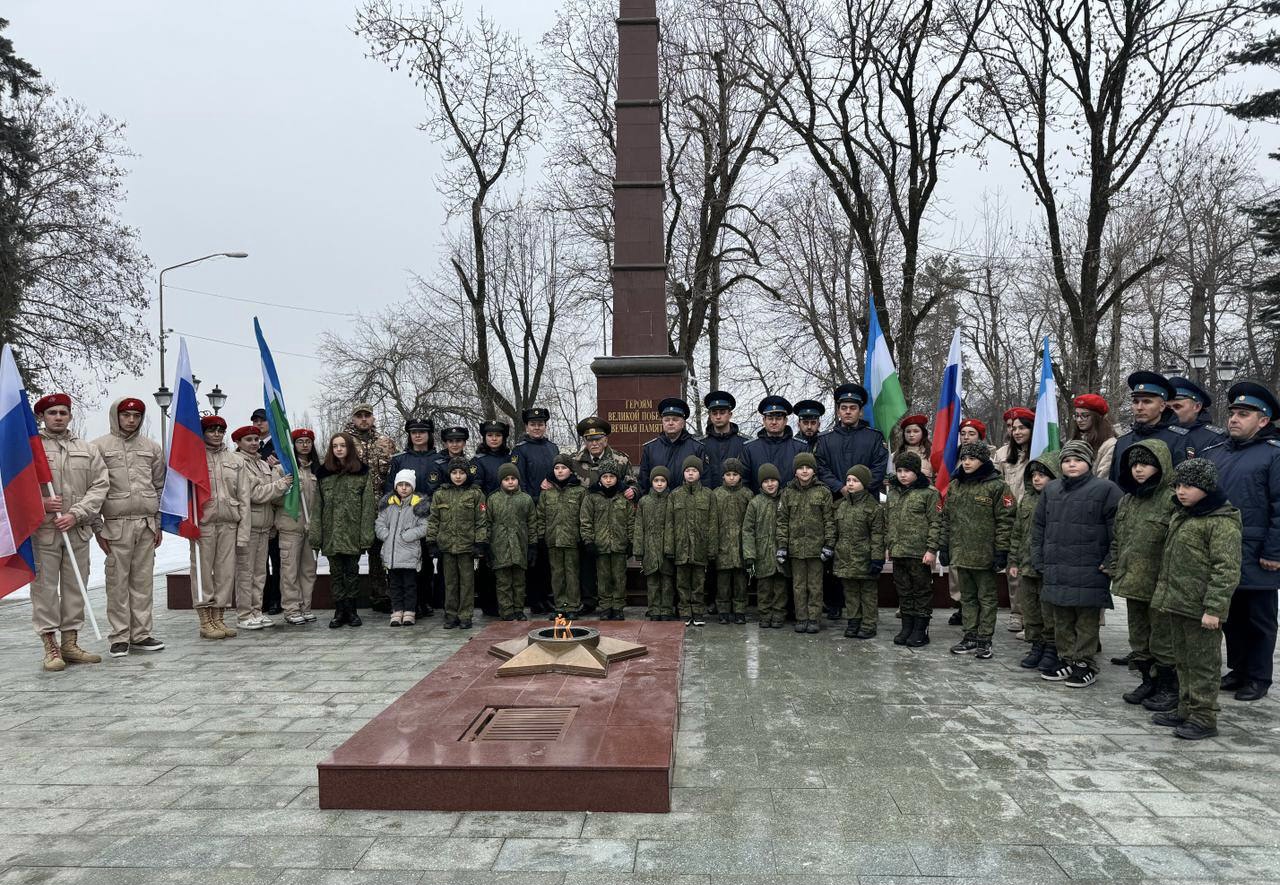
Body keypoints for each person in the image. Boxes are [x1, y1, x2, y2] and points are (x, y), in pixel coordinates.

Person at [1150, 458, 1243, 740]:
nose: (1181, 491)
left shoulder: (1221, 523)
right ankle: (1185, 706)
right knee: (1183, 659)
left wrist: (1214, 608)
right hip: (1177, 603)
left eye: (1189, 485)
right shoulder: (1182, 514)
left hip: (1202, 609)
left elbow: (1225, 568)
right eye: (1178, 485)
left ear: (1206, 487)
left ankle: (1204, 716)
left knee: (1203, 663)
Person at [1204, 381, 1280, 702]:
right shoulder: (1217, 452)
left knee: (1259, 619)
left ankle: (1259, 677)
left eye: (1244, 414)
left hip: (1259, 552)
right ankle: (1238, 669)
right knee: (1231, 615)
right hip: (1223, 551)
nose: (1234, 418)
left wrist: (1274, 551)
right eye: (1233, 412)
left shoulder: (1274, 455)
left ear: (1263, 421)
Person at [1034, 439, 1122, 687]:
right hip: (1056, 566)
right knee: (1060, 617)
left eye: (1078, 460)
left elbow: (1118, 530)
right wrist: (1038, 557)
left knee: (1085, 620)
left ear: (1089, 463)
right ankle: (1066, 658)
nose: (1072, 464)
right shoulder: (1051, 491)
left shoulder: (1106, 490)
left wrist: (1111, 560)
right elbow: (1039, 527)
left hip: (1090, 568)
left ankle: (1084, 662)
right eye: (1067, 460)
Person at [31, 394, 109, 671]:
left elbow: (100, 486)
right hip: (45, 531)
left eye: (63, 412)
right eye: (52, 412)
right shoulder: (31, 449)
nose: (58, 417)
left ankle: (71, 642)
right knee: (45, 589)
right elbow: (13, 487)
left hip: (76, 529)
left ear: (70, 416)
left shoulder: (87, 449)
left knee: (76, 586)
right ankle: (50, 645)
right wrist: (39, 503)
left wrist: (76, 513)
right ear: (42, 417)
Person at [92, 397, 165, 658]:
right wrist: (96, 526)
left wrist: (157, 523)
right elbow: (93, 488)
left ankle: (141, 634)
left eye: (136, 415)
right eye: (126, 415)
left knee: (143, 582)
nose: (131, 420)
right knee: (117, 582)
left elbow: (159, 486)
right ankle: (120, 636)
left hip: (145, 524)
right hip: (115, 525)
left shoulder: (152, 448)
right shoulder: (99, 447)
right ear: (116, 416)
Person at [1109, 440, 1178, 707]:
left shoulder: (1171, 499)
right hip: (1132, 582)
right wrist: (1115, 566)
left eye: (1146, 464)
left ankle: (1168, 686)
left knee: (1163, 639)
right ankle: (1147, 681)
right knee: (1139, 636)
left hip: (1160, 583)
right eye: (1135, 464)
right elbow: (1118, 538)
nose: (1139, 470)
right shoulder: (1128, 500)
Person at [940, 442, 1014, 659]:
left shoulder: (997, 486)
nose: (967, 462)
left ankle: (984, 638)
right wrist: (944, 546)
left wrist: (1002, 550)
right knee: (968, 598)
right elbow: (947, 518)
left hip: (985, 554)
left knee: (987, 598)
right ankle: (970, 635)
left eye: (972, 458)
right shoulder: (956, 485)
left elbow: (1005, 520)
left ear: (983, 460)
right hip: (961, 552)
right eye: (964, 458)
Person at [192, 415, 252, 642]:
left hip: (229, 522)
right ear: (203, 433)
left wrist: (243, 532)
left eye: (220, 430)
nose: (216, 434)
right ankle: (205, 619)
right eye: (211, 430)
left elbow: (244, 497)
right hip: (204, 524)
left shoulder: (235, 461)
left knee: (226, 573)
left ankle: (219, 616)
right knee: (203, 573)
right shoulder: (194, 458)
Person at [309, 432, 376, 630]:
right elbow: (317, 508)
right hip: (331, 535)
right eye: (335, 446)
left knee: (352, 573)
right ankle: (339, 611)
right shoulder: (324, 473)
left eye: (342, 446)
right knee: (336, 574)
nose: (339, 449)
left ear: (349, 448)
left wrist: (365, 536)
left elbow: (368, 507)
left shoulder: (362, 472)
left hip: (353, 533)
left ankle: (352, 610)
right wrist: (316, 535)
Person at [230, 425, 292, 630]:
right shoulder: (238, 463)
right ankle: (244, 614)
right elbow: (255, 495)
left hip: (264, 526)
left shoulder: (263, 464)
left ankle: (257, 611)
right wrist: (280, 485)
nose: (254, 443)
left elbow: (270, 497)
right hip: (248, 526)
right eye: (248, 440)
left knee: (259, 573)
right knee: (245, 573)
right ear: (238, 443)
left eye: (256, 439)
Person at [385, 416, 445, 616]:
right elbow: (389, 493)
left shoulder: (439, 460)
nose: (418, 435)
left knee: (426, 563)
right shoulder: (399, 460)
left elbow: (443, 490)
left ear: (429, 434)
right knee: (407, 566)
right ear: (409, 435)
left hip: (430, 520)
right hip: (404, 522)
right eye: (414, 432)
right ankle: (407, 605)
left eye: (422, 432)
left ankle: (425, 602)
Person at [1009, 451, 1061, 674]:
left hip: (1050, 566)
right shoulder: (1027, 499)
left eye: (1042, 475)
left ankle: (1051, 647)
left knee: (1049, 610)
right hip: (1027, 564)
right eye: (1033, 475)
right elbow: (1018, 531)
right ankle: (1036, 644)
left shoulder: (1059, 499)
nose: (1037, 479)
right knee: (1030, 609)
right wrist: (1013, 559)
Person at [344, 403, 397, 613]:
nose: (364, 419)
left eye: (367, 415)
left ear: (373, 418)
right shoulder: (344, 442)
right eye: (359, 416)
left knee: (378, 555)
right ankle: (350, 599)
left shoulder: (386, 443)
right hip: (354, 509)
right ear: (354, 419)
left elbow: (395, 474)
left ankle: (380, 596)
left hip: (380, 509)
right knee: (351, 555)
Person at [425, 456, 488, 630]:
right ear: (449, 474)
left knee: (467, 582)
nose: (458, 476)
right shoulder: (440, 494)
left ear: (467, 474)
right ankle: (451, 614)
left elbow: (481, 520)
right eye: (454, 472)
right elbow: (434, 520)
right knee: (450, 582)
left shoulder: (476, 494)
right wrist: (431, 541)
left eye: (461, 473)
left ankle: (465, 615)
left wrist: (480, 542)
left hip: (467, 547)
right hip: (447, 546)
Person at [886, 451, 939, 647]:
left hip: (919, 553)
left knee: (921, 591)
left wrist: (932, 549)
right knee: (904, 591)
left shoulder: (929, 493)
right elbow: (888, 522)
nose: (902, 475)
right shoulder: (892, 493)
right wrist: (888, 545)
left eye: (907, 471)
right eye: (899, 470)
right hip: (899, 552)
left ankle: (921, 629)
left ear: (916, 471)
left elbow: (935, 523)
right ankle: (907, 626)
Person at [778, 451, 834, 634]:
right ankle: (801, 618)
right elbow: (782, 521)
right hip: (795, 549)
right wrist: (782, 546)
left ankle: (814, 618)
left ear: (814, 471)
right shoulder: (787, 493)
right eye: (800, 468)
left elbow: (829, 521)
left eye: (808, 468)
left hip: (816, 549)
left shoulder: (823, 492)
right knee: (799, 586)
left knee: (815, 586)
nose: (804, 471)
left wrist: (828, 545)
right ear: (795, 471)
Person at [514, 406, 560, 614]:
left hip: (551, 509)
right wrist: (530, 501)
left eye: (540, 424)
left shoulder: (553, 448)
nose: (537, 427)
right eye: (533, 424)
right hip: (531, 508)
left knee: (548, 557)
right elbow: (518, 480)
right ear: (527, 426)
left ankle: (547, 597)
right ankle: (535, 599)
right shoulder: (520, 450)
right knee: (534, 556)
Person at [1109, 372, 1193, 483]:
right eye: (1135, 402)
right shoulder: (1123, 442)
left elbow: (1185, 484)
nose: (1139, 407)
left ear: (1162, 406)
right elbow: (1114, 483)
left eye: (1147, 402)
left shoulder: (1179, 439)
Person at [833, 464, 886, 639]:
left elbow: (878, 535)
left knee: (868, 593)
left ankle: (869, 623)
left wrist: (877, 558)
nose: (850, 483)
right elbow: (835, 532)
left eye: (855, 480)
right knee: (850, 592)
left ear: (864, 483)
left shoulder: (873, 508)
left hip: (865, 558)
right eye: (848, 480)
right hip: (845, 558)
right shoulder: (841, 506)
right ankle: (853, 620)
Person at [665, 455, 718, 626]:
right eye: (687, 471)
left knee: (698, 582)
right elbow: (669, 523)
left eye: (694, 471)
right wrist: (669, 547)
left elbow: (713, 523)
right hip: (681, 547)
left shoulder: (708, 495)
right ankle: (685, 611)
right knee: (682, 582)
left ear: (699, 473)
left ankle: (698, 611)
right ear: (683, 473)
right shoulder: (675, 495)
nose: (690, 474)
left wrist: (711, 548)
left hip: (700, 548)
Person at [375, 468, 431, 626]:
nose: (404, 488)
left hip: (409, 555)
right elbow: (379, 523)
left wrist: (408, 535)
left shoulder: (417, 505)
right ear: (395, 487)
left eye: (407, 484)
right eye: (401, 484)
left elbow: (424, 526)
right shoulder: (389, 505)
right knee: (395, 586)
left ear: (412, 487)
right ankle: (397, 610)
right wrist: (385, 535)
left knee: (410, 586)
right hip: (391, 556)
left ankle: (409, 612)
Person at [995, 408, 1034, 633]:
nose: (1017, 432)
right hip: (1011, 516)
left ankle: (1033, 617)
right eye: (1014, 428)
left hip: (1034, 516)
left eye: (1022, 427)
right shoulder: (1004, 455)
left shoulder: (1042, 450)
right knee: (1014, 568)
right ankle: (1016, 613)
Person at [580, 460, 634, 620]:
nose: (608, 480)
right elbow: (586, 521)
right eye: (605, 477)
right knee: (603, 578)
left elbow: (631, 520)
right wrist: (588, 541)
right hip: (600, 546)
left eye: (612, 476)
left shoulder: (623, 498)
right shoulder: (592, 498)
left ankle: (618, 607)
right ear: (600, 479)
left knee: (619, 577)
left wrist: (631, 541)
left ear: (617, 478)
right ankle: (605, 606)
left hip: (619, 545)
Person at [277, 429, 320, 625]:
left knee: (309, 569)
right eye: (300, 441)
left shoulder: (316, 471)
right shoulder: (282, 469)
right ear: (293, 445)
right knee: (290, 570)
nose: (304, 445)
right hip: (290, 527)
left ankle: (306, 606)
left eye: (308, 441)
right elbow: (274, 498)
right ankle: (291, 608)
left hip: (310, 528)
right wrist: (289, 490)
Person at [815, 383, 890, 494]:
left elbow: (879, 468)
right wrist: (840, 487)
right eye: (844, 408)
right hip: (835, 499)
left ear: (860, 412)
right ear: (838, 412)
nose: (848, 411)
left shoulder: (874, 437)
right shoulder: (825, 439)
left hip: (867, 499)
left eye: (853, 408)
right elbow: (821, 468)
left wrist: (860, 487)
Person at [486, 462, 537, 621]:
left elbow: (532, 523)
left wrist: (533, 546)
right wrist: (486, 545)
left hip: (520, 547)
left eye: (513, 478)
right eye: (506, 479)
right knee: (503, 583)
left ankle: (518, 609)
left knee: (519, 582)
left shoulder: (526, 499)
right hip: (499, 547)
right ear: (501, 481)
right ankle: (506, 610)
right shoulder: (493, 499)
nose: (510, 481)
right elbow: (487, 522)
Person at [539, 453, 586, 617]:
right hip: (553, 540)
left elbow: (584, 517)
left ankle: (573, 605)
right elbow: (540, 516)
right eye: (556, 468)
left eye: (564, 468)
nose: (560, 471)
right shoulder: (546, 492)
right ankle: (560, 605)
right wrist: (541, 536)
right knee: (557, 574)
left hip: (572, 540)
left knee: (572, 574)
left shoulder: (580, 491)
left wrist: (583, 537)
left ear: (571, 471)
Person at [743, 464, 787, 629]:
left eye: (773, 480)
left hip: (781, 553)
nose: (770, 484)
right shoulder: (755, 503)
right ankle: (765, 615)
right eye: (766, 481)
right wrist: (749, 554)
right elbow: (748, 530)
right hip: (762, 553)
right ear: (760, 484)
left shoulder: (785, 499)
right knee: (764, 588)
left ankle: (778, 615)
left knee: (780, 588)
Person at [710, 458, 753, 624]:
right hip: (723, 547)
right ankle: (723, 610)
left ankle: (740, 610)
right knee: (723, 584)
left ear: (740, 476)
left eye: (735, 474)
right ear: (723, 476)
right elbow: (712, 523)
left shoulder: (747, 495)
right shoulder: (716, 495)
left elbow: (750, 523)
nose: (732, 478)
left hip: (742, 547)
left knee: (741, 583)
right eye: (728, 474)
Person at [250, 407, 283, 617]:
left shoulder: (280, 445)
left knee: (277, 559)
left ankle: (276, 599)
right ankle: (262, 599)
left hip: (276, 509)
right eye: (255, 421)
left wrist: (280, 465)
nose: (259, 424)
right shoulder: (250, 447)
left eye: (262, 421)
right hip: (257, 512)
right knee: (259, 562)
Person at [639, 398, 707, 493]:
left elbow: (704, 480)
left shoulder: (697, 448)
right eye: (667, 420)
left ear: (683, 423)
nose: (670, 423)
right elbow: (643, 481)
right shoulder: (650, 448)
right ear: (662, 422)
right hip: (658, 504)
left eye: (675, 420)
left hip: (687, 504)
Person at [741, 396, 808, 492]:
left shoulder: (800, 447)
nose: (774, 422)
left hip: (791, 504)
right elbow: (744, 482)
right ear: (764, 420)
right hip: (760, 504)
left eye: (778, 418)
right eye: (770, 418)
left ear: (785, 421)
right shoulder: (750, 448)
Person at [634, 465, 675, 620]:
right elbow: (639, 527)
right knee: (652, 582)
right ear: (651, 482)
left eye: (662, 481)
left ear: (667, 483)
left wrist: (671, 548)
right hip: (650, 549)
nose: (659, 484)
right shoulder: (644, 501)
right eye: (656, 480)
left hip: (666, 549)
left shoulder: (671, 500)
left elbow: (673, 525)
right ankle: (653, 609)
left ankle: (666, 609)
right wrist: (639, 550)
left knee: (667, 582)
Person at [571, 416, 638, 494]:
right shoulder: (574, 461)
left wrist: (633, 491)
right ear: (585, 442)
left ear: (605, 440)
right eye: (590, 439)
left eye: (598, 439)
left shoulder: (621, 460)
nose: (594, 444)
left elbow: (632, 483)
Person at [1166, 376, 1227, 458]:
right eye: (1168, 408)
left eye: (1177, 407)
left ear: (1197, 407)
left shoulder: (1214, 438)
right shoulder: (1162, 432)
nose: (1172, 411)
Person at [700, 390, 747, 490]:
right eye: (714, 413)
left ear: (730, 414)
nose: (718, 416)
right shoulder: (701, 445)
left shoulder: (744, 444)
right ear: (710, 415)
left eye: (722, 412)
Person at [1071, 394, 1117, 478]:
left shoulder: (1109, 445)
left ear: (1097, 417)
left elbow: (1103, 480)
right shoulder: (1072, 441)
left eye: (1084, 415)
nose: (1079, 420)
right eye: (1077, 415)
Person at [893, 414, 933, 480]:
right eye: (908, 432)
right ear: (904, 434)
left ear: (923, 433)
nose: (911, 435)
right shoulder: (895, 455)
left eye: (916, 431)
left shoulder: (932, 453)